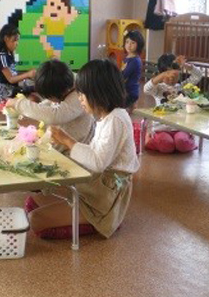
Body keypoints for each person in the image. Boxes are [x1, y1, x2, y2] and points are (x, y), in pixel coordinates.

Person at [26, 59, 140, 239]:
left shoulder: (116, 119)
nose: (79, 99)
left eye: (82, 94)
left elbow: (97, 162)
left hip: (106, 193)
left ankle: (101, 222)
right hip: (96, 184)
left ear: (98, 93)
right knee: (33, 202)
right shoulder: (106, 116)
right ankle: (87, 218)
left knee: (35, 220)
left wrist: (67, 141)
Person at [5, 59, 94, 152]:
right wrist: (34, 108)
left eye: (49, 96)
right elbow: (51, 103)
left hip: (75, 153)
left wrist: (18, 104)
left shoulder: (81, 93)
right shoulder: (63, 81)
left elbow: (55, 115)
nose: (49, 99)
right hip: (61, 148)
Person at [143, 54, 202, 153]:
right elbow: (146, 89)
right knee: (166, 145)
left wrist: (185, 65)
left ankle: (186, 140)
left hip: (180, 128)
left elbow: (198, 75)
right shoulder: (158, 88)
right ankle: (151, 139)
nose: (171, 78)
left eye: (174, 75)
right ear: (160, 73)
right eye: (167, 74)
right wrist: (162, 75)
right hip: (161, 128)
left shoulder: (183, 87)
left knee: (181, 143)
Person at [0, 24, 36, 110]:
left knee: (33, 93)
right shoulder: (2, 55)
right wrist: (27, 74)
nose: (17, 44)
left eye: (17, 40)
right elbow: (10, 79)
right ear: (6, 39)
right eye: (14, 40)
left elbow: (14, 74)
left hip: (11, 89)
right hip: (4, 92)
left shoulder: (9, 54)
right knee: (32, 98)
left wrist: (28, 74)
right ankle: (3, 104)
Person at [122, 30, 145, 111]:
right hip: (126, 90)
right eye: (127, 42)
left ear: (138, 45)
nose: (129, 45)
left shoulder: (135, 61)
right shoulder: (128, 57)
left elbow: (123, 76)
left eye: (132, 43)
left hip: (129, 93)